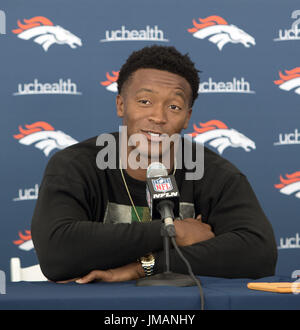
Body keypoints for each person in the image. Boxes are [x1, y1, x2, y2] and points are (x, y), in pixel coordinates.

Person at [31, 45, 277, 283]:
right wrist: (173, 232)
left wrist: (142, 268)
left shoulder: (213, 172)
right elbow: (57, 252)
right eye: (145, 101)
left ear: (187, 117)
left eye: (174, 106)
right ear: (121, 105)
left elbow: (259, 254)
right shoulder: (75, 165)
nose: (158, 117)